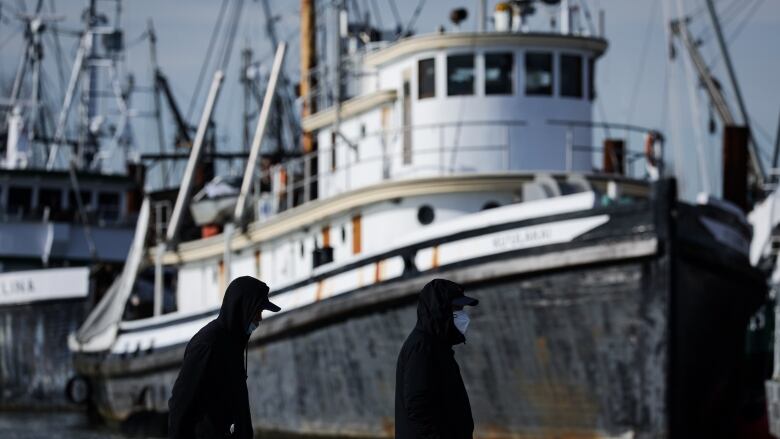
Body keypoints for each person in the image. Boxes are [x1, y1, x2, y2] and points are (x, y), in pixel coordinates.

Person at [168, 276, 280, 438]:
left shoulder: (234, 343)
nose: (260, 318)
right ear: (244, 308)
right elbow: (180, 403)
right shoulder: (207, 344)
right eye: (258, 311)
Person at [394, 278, 479, 439]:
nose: (462, 315)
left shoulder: (437, 346)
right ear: (440, 310)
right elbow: (418, 405)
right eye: (457, 308)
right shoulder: (422, 347)